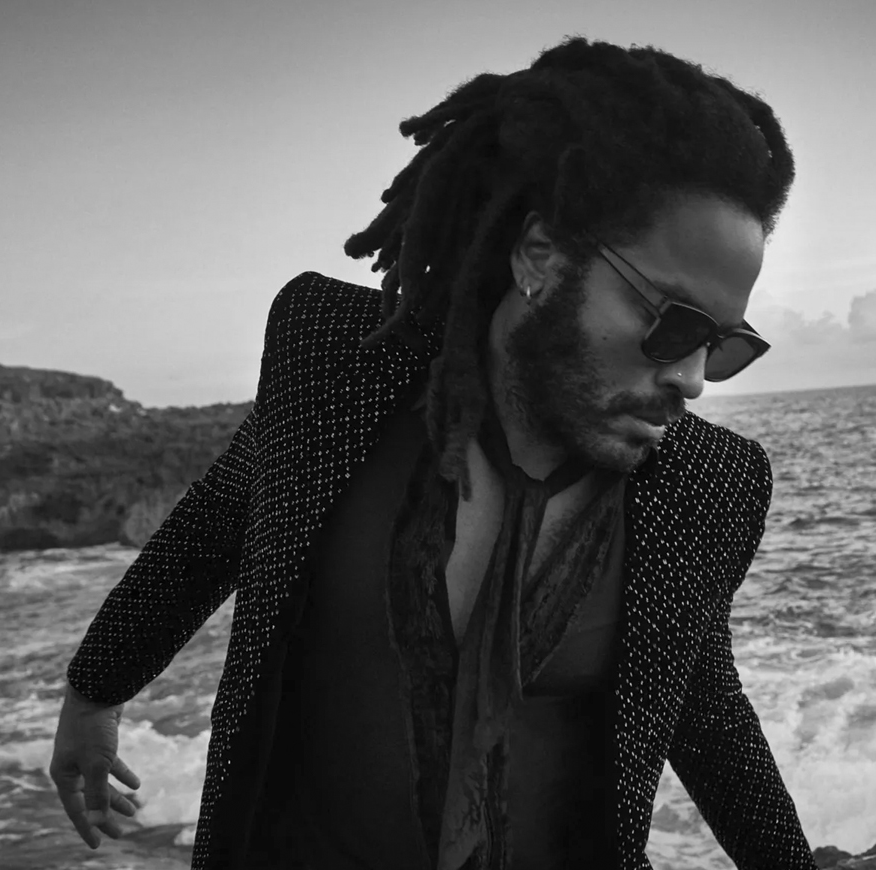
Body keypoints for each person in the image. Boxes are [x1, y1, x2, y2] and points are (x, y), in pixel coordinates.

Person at [49, 36, 814, 869]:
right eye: (674, 325)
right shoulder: (338, 361)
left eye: (724, 345)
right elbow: (220, 520)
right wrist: (94, 694)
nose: (693, 379)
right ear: (542, 257)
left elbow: (702, 703)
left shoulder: (704, 483)